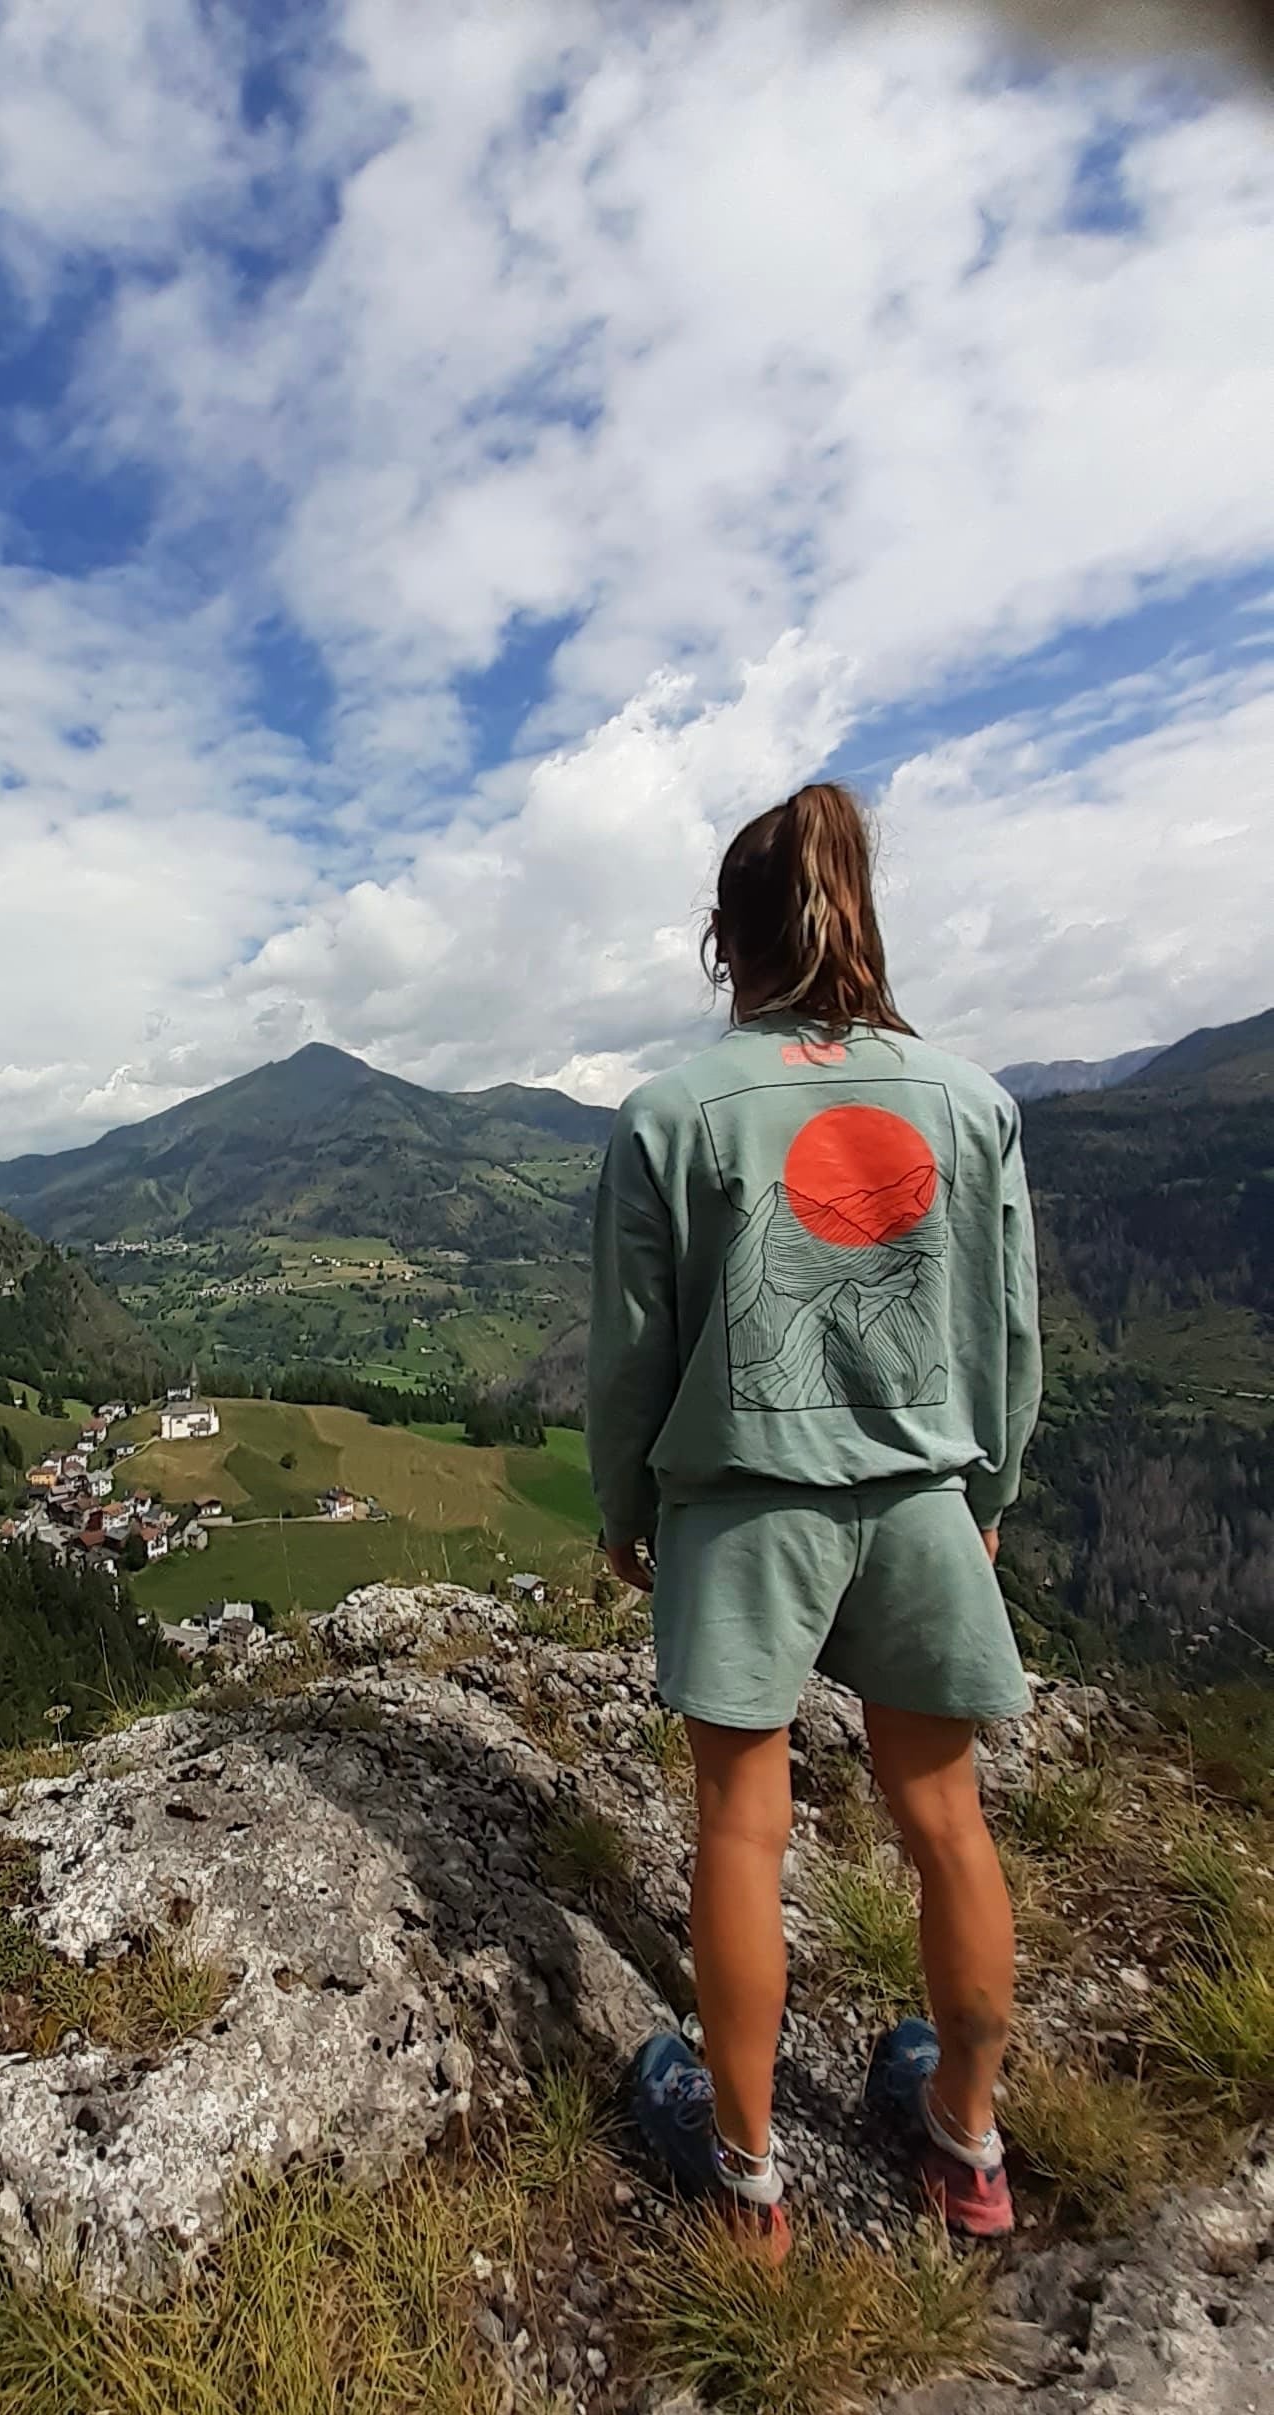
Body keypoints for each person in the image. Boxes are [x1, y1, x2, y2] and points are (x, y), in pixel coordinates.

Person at [587, 780, 1040, 2258]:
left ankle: (746, 2184)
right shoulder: (973, 1106)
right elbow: (1005, 1339)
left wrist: (622, 1508)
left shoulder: (668, 1115)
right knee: (946, 1822)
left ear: (728, 943)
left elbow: (631, 1353)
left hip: (741, 1507)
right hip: (920, 1495)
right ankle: (967, 2149)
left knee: (742, 1824)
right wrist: (987, 1497)